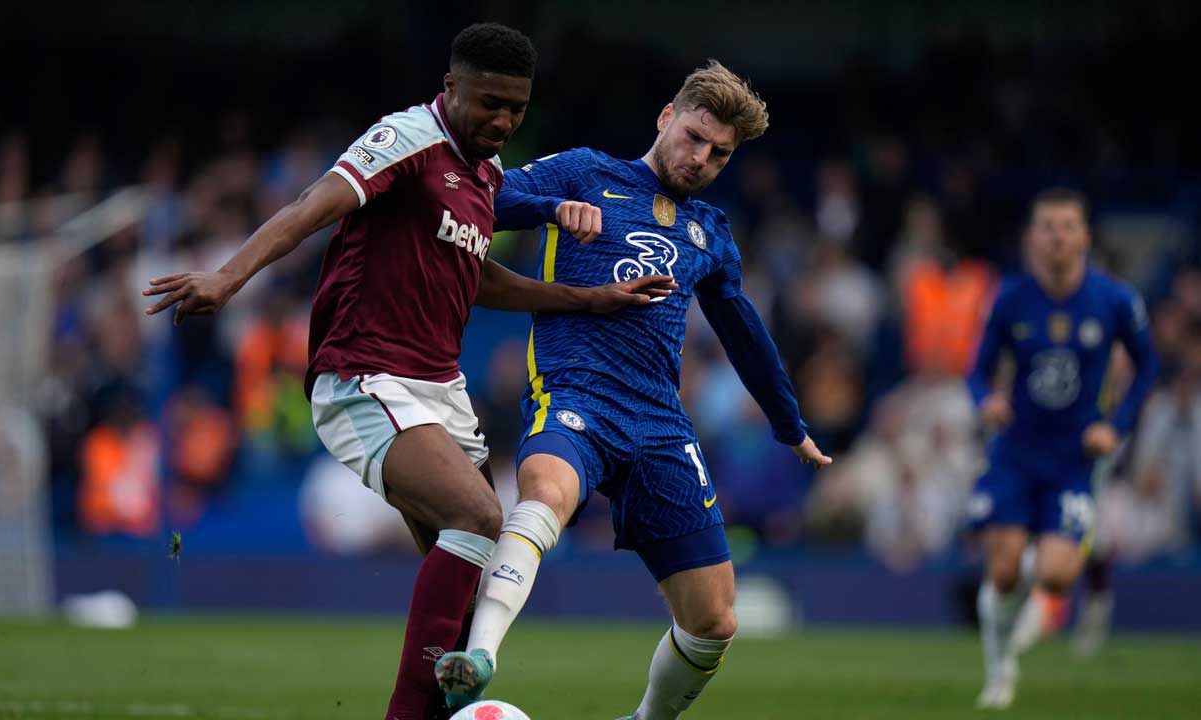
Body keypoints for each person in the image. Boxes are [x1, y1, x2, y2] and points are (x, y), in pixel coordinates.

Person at [142, 23, 673, 720]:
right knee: (479, 514)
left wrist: (589, 300)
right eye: (489, 102)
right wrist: (230, 276)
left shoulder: (484, 176)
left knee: (471, 583)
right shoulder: (407, 140)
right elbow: (311, 208)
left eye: (516, 107)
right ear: (450, 87)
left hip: (439, 388)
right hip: (366, 374)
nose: (503, 121)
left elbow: (475, 278)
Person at [434, 60, 832, 719]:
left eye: (720, 153)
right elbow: (479, 200)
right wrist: (551, 209)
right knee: (545, 493)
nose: (702, 158)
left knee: (715, 620)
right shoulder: (584, 171)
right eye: (695, 138)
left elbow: (743, 333)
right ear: (665, 117)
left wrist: (789, 425)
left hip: (658, 423)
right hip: (574, 393)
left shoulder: (709, 231)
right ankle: (479, 657)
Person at [965, 188, 1157, 709]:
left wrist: (1116, 426)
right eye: (1047, 225)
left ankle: (1034, 590)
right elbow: (977, 369)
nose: (1057, 235)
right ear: (1033, 236)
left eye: (1067, 225)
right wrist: (986, 401)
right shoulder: (1009, 299)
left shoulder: (1115, 300)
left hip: (1075, 457)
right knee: (1001, 571)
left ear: (1084, 235)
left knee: (1056, 573)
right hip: (1016, 451)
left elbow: (1148, 366)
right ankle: (999, 672)